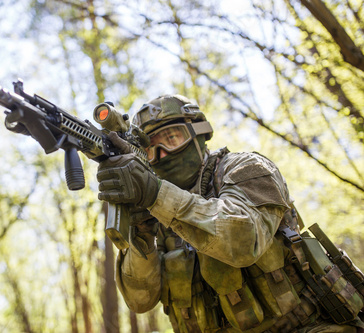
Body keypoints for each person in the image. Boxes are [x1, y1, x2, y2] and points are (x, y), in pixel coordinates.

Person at [96, 94, 364, 332]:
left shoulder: (247, 169)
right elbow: (139, 300)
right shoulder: (154, 209)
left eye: (172, 137)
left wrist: (156, 195)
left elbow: (244, 239)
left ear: (199, 134)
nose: (163, 153)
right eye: (151, 148)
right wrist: (141, 233)